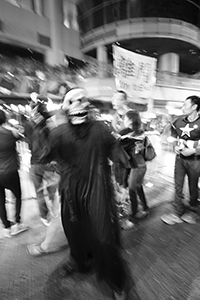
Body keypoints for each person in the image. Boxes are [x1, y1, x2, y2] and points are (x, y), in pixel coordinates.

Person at [40, 87, 131, 300]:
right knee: (74, 231)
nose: (80, 103)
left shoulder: (101, 129)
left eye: (83, 99)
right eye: (73, 100)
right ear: (66, 107)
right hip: (71, 192)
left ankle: (117, 281)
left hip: (97, 189)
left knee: (104, 235)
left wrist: (122, 184)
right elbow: (44, 157)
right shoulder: (58, 133)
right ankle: (80, 261)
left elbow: (117, 153)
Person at [161, 95, 200, 225]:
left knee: (193, 187)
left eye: (185, 105)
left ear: (194, 107)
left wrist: (194, 150)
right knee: (178, 186)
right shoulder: (178, 122)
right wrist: (175, 146)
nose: (183, 107)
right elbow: (172, 137)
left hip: (195, 160)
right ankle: (178, 212)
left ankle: (193, 211)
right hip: (180, 159)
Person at [23, 95, 58, 226]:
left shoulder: (27, 125)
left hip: (34, 164)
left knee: (39, 193)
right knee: (51, 189)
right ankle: (53, 212)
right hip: (49, 164)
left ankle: (45, 216)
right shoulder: (49, 127)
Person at [0, 110, 28, 237]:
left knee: (0, 200)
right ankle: (17, 223)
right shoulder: (10, 133)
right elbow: (22, 134)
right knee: (17, 195)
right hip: (10, 171)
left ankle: (6, 228)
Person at [120, 110, 149, 220]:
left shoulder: (135, 134)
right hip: (133, 164)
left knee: (132, 188)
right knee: (137, 186)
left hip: (138, 165)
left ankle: (134, 213)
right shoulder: (133, 133)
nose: (124, 121)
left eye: (126, 119)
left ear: (131, 120)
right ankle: (145, 207)